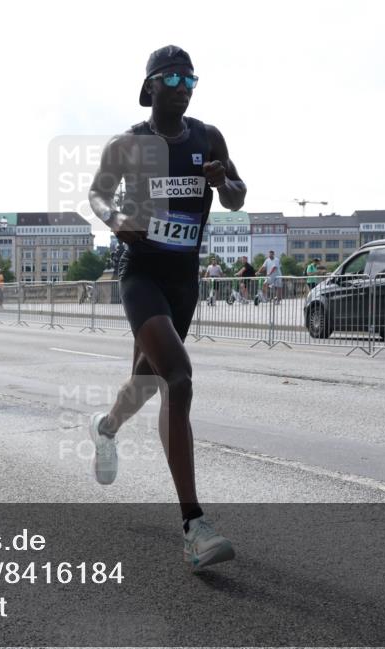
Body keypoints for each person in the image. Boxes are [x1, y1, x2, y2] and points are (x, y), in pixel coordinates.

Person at [88, 45, 246, 569]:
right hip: (141, 273)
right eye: (172, 77)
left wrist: (224, 182)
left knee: (145, 381)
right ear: (150, 86)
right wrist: (115, 220)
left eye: (190, 78)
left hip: (184, 280)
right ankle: (194, 526)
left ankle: (106, 427)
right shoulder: (129, 143)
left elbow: (238, 195)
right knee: (178, 379)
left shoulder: (209, 137)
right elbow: (97, 195)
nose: (183, 86)